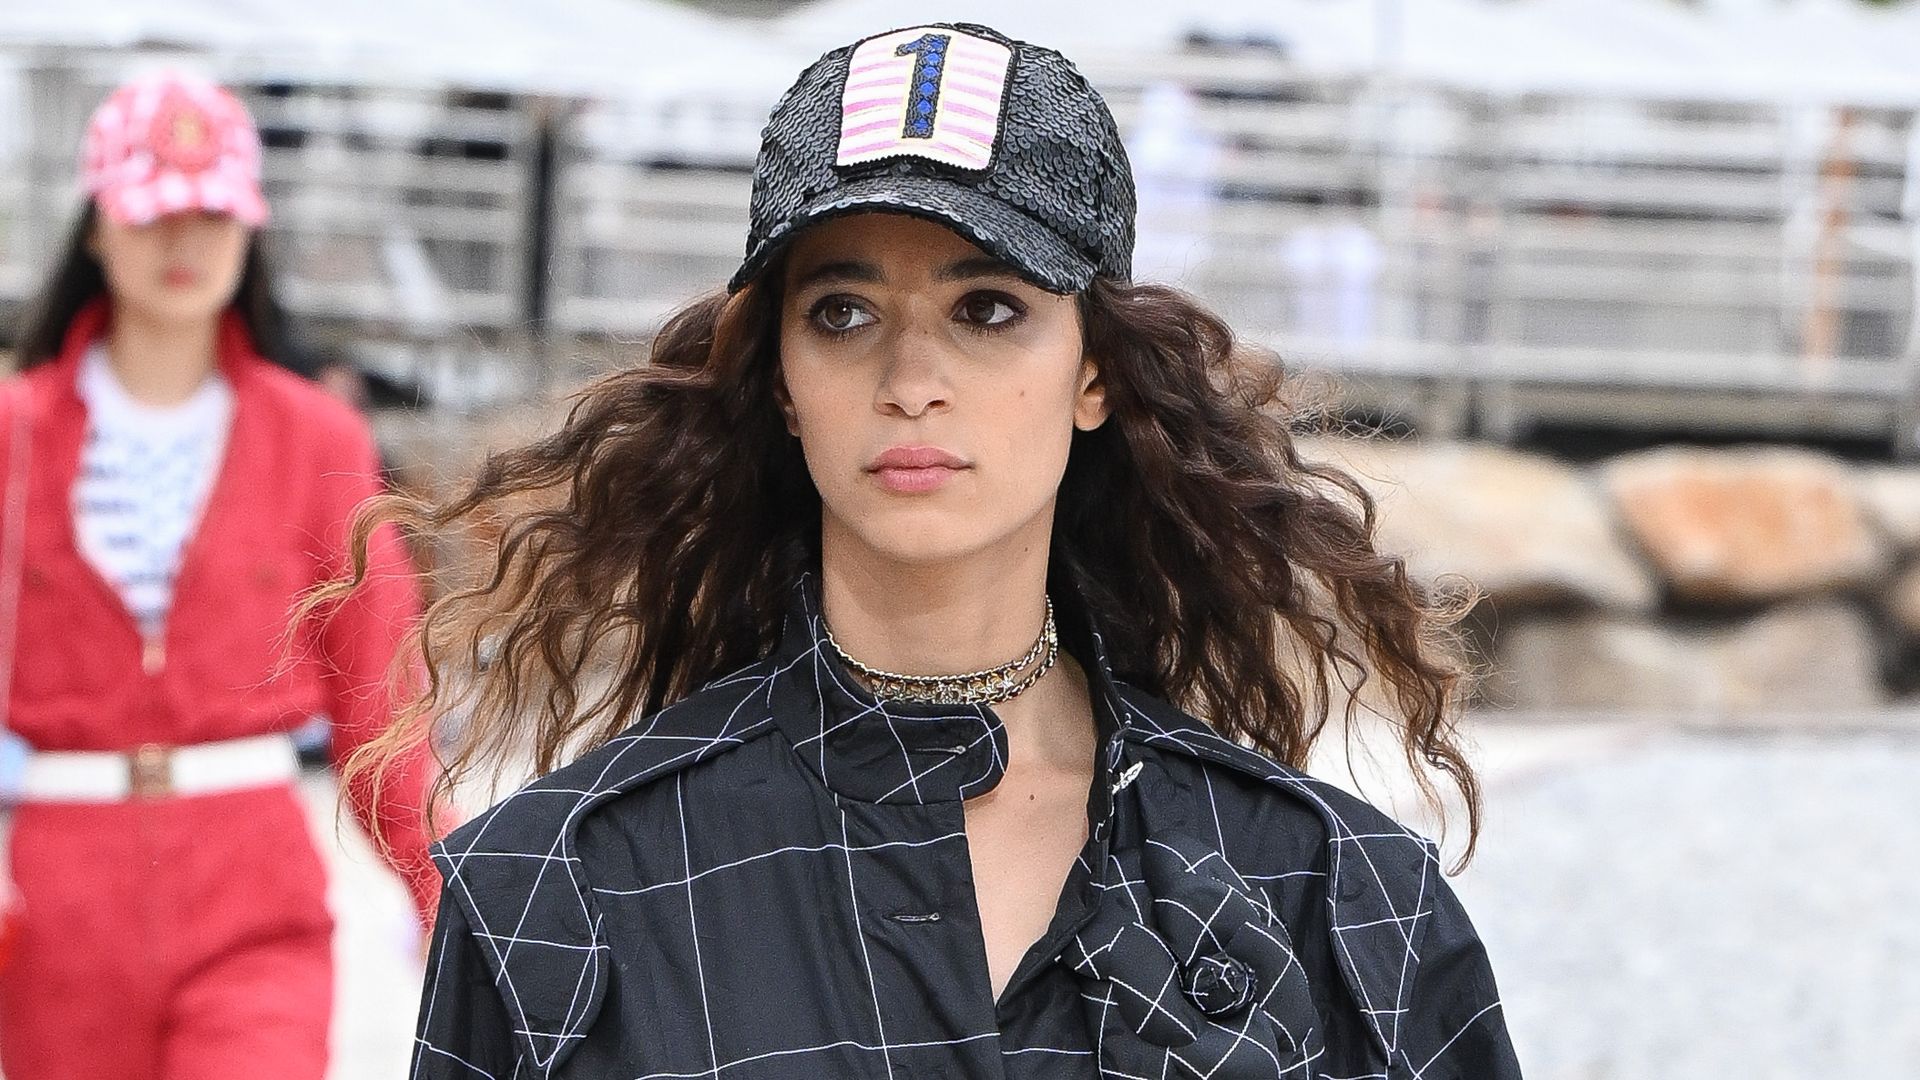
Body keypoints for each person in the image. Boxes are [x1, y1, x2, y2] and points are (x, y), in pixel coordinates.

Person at [373, 23, 1522, 1079]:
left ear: (1095, 372)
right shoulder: (556, 896)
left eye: (986, 309)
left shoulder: (1342, 902)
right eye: (842, 312)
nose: (911, 382)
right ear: (780, 380)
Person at [0, 71, 442, 1080]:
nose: (185, 244)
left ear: (251, 229)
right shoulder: (14, 437)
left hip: (254, 886)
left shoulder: (317, 438)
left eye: (214, 213)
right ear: (99, 227)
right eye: (157, 213)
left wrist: (444, 890)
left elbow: (379, 695)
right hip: (57, 899)